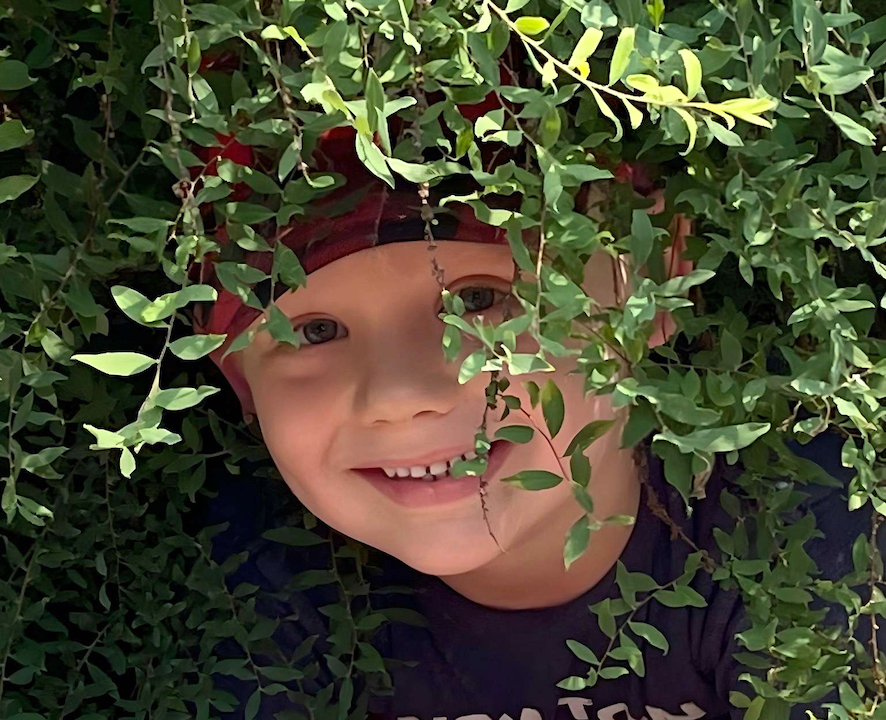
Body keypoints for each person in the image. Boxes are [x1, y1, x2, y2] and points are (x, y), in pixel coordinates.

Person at [187, 97, 866, 719]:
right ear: (237, 374)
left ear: (650, 283)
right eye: (314, 331)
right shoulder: (259, 587)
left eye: (480, 301)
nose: (401, 397)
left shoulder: (800, 523)